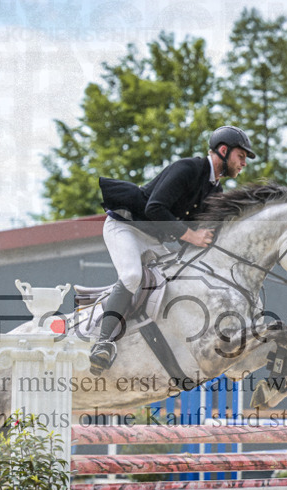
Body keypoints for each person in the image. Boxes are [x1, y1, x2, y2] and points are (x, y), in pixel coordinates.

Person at [90, 125, 256, 374]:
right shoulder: (188, 168)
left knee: (177, 281)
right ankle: (102, 342)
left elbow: (196, 233)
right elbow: (155, 208)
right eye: (241, 156)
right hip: (125, 226)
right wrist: (192, 235)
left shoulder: (215, 190)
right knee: (133, 276)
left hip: (153, 238)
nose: (243, 163)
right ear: (224, 150)